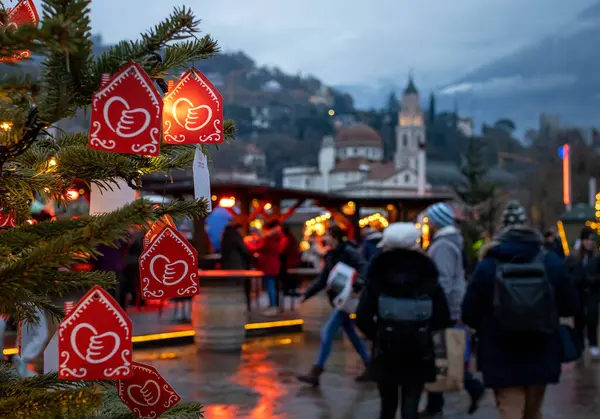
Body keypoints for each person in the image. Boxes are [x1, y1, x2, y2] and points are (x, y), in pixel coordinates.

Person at [462, 200, 579, 419]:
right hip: (541, 348)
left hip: (500, 351)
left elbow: (469, 312)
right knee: (533, 412)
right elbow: (571, 305)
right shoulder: (550, 261)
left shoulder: (488, 265)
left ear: (502, 229)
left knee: (510, 410)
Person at [356, 223, 451, 419]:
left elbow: (362, 317)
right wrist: (424, 332)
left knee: (387, 406)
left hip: (386, 349)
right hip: (419, 350)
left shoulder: (378, 271)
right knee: (411, 404)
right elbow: (443, 316)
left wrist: (379, 336)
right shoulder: (427, 272)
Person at [421, 202, 484, 417]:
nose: (427, 224)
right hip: (450, 306)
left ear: (437, 222)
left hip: (445, 309)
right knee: (443, 354)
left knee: (440, 354)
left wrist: (435, 306)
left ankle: (467, 389)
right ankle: (436, 404)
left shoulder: (443, 246)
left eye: (430, 220)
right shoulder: (449, 241)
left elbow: (443, 281)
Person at [297, 225, 371, 386]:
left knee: (327, 331)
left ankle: (317, 370)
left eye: (328, 234)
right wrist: (307, 294)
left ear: (335, 237)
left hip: (345, 298)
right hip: (340, 298)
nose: (325, 237)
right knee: (351, 333)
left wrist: (356, 285)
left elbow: (364, 268)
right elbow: (323, 279)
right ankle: (370, 365)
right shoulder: (331, 255)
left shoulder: (349, 252)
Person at [566, 226, 600, 356]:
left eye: (591, 240)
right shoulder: (575, 257)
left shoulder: (595, 257)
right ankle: (579, 344)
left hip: (592, 292)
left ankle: (592, 344)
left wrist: (593, 280)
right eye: (587, 240)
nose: (589, 243)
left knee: (592, 318)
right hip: (579, 293)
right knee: (579, 319)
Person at [246, 219, 283, 311]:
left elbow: (258, 248)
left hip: (268, 265)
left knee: (270, 286)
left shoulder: (268, 239)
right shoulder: (277, 238)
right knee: (272, 285)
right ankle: (273, 304)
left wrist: (248, 243)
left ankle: (273, 305)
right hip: (274, 264)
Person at [279, 227, 301, 298]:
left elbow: (282, 250)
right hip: (294, 260)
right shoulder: (290, 237)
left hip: (290, 261)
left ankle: (288, 291)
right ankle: (291, 291)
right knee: (291, 277)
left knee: (288, 276)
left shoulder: (286, 239)